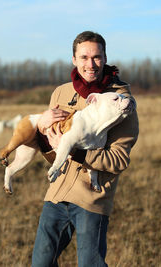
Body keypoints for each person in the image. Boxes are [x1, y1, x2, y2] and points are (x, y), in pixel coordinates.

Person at [31, 31, 139, 267]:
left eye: (97, 57)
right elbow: (51, 153)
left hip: (92, 198)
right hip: (57, 195)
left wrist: (74, 151)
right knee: (41, 263)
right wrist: (41, 129)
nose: (90, 64)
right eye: (84, 57)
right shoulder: (60, 93)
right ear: (74, 59)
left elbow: (119, 160)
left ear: (105, 57)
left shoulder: (121, 101)